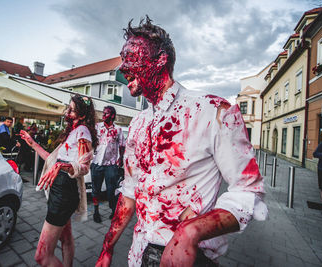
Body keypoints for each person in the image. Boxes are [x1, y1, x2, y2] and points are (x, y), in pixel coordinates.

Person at [96, 16, 268, 267]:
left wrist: (192, 231)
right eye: (123, 58)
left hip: (190, 258)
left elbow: (249, 191)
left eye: (131, 56)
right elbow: (130, 192)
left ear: (160, 60)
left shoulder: (213, 111)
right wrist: (107, 247)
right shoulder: (137, 124)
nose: (123, 66)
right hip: (138, 254)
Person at [20, 94, 98, 267]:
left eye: (71, 110)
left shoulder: (83, 132)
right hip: (60, 189)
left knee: (42, 256)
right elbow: (51, 160)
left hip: (64, 191)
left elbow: (84, 167)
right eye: (67, 108)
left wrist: (62, 167)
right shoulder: (73, 132)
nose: (66, 112)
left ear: (83, 116)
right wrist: (32, 143)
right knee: (66, 238)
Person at [91, 106, 126, 222]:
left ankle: (113, 211)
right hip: (97, 163)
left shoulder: (118, 129)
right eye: (103, 113)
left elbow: (121, 145)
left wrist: (120, 159)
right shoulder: (97, 127)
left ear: (112, 115)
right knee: (96, 189)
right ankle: (96, 212)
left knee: (112, 191)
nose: (103, 115)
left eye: (106, 114)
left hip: (111, 165)